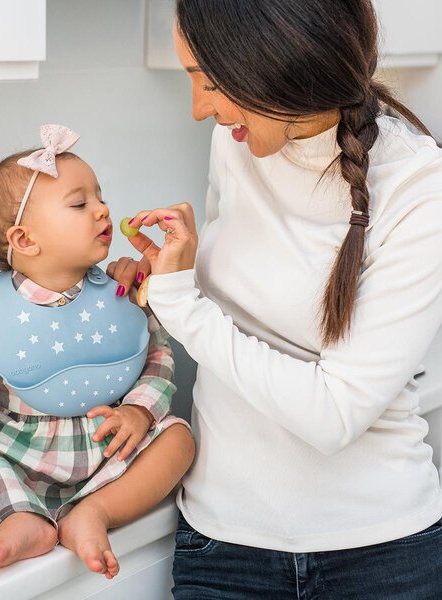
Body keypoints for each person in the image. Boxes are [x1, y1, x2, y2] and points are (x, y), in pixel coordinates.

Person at [109, 1, 442, 597]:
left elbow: (333, 414)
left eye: (211, 82)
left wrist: (185, 305)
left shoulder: (420, 185)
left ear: (281, 69)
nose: (198, 109)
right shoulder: (236, 141)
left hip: (381, 556)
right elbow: (236, 318)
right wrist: (165, 284)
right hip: (221, 543)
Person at [0, 124, 194, 578]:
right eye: (80, 203)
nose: (104, 209)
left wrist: (140, 413)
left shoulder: (124, 288)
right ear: (24, 240)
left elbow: (157, 356)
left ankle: (95, 512)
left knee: (178, 440)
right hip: (18, 448)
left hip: (106, 442)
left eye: (99, 196)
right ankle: (22, 518)